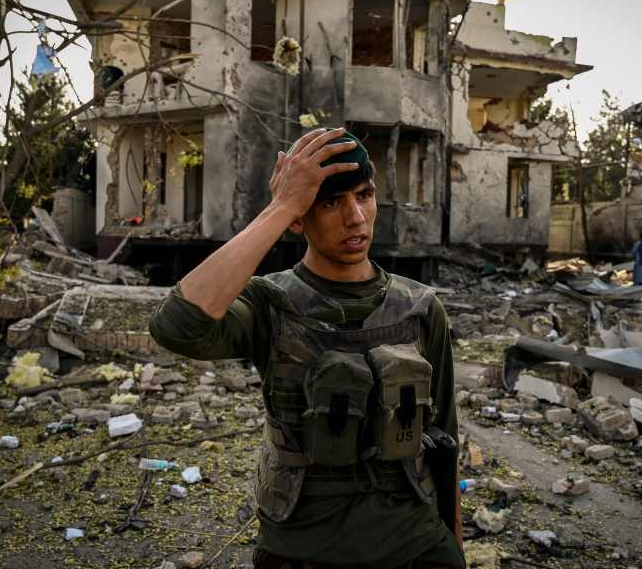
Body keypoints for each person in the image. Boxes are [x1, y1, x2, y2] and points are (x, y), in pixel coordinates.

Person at [149, 127, 465, 569]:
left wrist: (454, 547)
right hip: (301, 548)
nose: (356, 217)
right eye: (330, 203)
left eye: (364, 194)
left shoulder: (420, 308)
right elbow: (176, 326)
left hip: (413, 544)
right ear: (298, 218)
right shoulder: (270, 304)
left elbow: (445, 440)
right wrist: (280, 207)